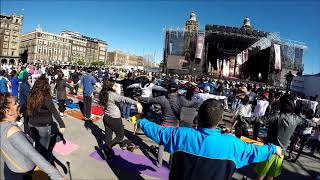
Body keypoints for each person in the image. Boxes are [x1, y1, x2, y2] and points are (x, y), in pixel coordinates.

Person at [137, 99, 282, 179]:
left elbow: (157, 131)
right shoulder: (234, 145)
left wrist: (141, 120)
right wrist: (274, 148)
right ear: (219, 120)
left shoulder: (180, 135)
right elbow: (257, 152)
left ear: (198, 117)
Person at [239, 95, 316, 180]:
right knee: (271, 176)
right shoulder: (296, 118)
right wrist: (316, 123)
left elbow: (260, 119)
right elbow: (308, 123)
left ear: (282, 105)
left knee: (260, 175)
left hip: (269, 150)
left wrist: (243, 119)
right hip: (281, 153)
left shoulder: (276, 116)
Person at [0, 93, 64, 180]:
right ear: (8, 111)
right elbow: (34, 156)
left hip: (10, 168)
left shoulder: (3, 124)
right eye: (15, 103)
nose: (18, 104)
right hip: (22, 174)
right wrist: (56, 175)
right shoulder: (13, 132)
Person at [26, 75, 66, 163]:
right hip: (43, 127)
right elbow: (54, 111)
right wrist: (62, 124)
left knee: (36, 144)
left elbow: (27, 109)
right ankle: (40, 166)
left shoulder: (31, 94)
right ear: (46, 86)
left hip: (32, 124)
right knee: (43, 149)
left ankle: (34, 161)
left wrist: (26, 122)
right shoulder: (46, 97)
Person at [99, 80, 141, 159]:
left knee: (108, 136)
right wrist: (136, 103)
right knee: (120, 136)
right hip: (114, 118)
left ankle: (107, 153)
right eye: (114, 85)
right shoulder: (112, 94)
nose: (115, 86)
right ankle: (107, 148)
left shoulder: (103, 93)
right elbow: (124, 99)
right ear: (110, 86)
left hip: (106, 117)